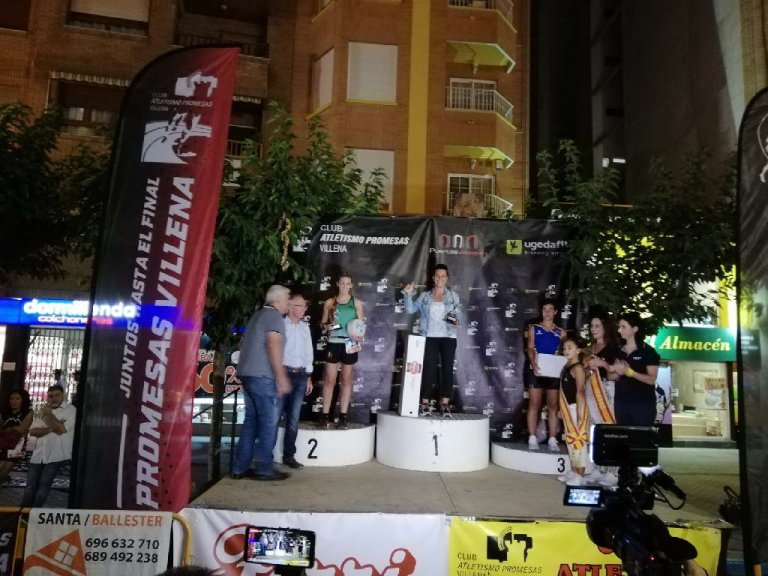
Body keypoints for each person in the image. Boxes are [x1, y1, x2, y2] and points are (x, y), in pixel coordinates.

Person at [231, 284, 292, 482]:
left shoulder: (256, 315)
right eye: (287, 299)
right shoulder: (274, 316)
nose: (289, 303)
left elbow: (243, 343)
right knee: (269, 422)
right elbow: (273, 344)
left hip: (247, 373)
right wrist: (281, 376)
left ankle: (240, 467)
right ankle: (264, 468)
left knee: (251, 421)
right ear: (278, 300)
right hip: (263, 375)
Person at [402, 264, 461, 417]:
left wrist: (456, 322)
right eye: (437, 276)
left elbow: (458, 316)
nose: (440, 278)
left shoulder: (453, 296)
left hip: (448, 337)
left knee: (447, 370)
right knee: (429, 370)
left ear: (447, 278)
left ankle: (445, 404)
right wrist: (407, 295)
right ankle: (425, 404)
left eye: (443, 276)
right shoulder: (425, 296)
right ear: (433, 278)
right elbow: (410, 309)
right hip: (429, 337)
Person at [319, 273, 365, 429]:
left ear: (351, 285)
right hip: (333, 342)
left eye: (348, 283)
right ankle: (325, 416)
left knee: (346, 380)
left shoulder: (356, 303)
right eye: (342, 283)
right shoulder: (329, 302)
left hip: (349, 343)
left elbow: (360, 325)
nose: (345, 286)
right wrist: (326, 326)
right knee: (330, 380)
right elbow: (323, 323)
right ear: (337, 284)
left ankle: (343, 416)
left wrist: (359, 335)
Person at [20, 385, 76, 507]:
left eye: (57, 395)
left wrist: (49, 415)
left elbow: (62, 429)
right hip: (39, 454)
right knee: (30, 486)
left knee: (44, 485)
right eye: (51, 396)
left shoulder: (70, 410)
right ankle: (22, 513)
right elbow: (33, 431)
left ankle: (35, 513)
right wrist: (52, 428)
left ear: (63, 395)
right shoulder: (42, 411)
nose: (53, 398)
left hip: (57, 455)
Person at [583, 308, 621, 486]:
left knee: (608, 430)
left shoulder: (614, 348)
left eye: (597, 326)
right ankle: (598, 467)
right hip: (590, 391)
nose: (594, 329)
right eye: (592, 326)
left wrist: (603, 364)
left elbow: (616, 374)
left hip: (606, 393)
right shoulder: (589, 348)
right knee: (594, 431)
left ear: (605, 327)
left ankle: (613, 471)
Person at [279, 293, 314, 469]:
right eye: (301, 306)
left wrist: (308, 376)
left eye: (305, 306)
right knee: (274, 416)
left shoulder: (305, 327)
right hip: (283, 373)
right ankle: (265, 456)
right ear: (290, 307)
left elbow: (309, 352)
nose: (304, 309)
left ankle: (289, 456)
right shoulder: (281, 325)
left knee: (293, 419)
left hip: (301, 376)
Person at [526, 298, 565, 450]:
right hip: (536, 369)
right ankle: (532, 437)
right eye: (544, 309)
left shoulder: (561, 332)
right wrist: (533, 362)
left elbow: (564, 352)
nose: (547, 312)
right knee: (534, 403)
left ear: (555, 312)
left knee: (553, 406)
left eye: (550, 309)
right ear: (541, 311)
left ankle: (552, 439)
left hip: (553, 372)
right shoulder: (534, 328)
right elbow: (530, 347)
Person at [611, 311, 660, 426]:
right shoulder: (618, 351)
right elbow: (609, 375)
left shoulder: (648, 351)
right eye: (619, 327)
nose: (619, 330)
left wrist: (630, 372)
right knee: (623, 435)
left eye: (623, 327)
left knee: (640, 436)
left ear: (635, 329)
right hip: (621, 404)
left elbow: (651, 379)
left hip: (643, 405)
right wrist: (618, 371)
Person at [557, 336, 588, 486]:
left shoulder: (578, 368)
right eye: (564, 348)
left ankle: (580, 475)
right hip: (567, 408)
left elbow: (580, 391)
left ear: (578, 350)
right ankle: (574, 471)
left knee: (578, 441)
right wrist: (561, 410)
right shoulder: (567, 366)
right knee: (570, 441)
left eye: (570, 348)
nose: (566, 350)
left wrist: (580, 413)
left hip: (576, 408)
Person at [0, 388, 33, 485]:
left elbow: (22, 429)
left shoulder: (28, 412)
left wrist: (10, 428)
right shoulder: (4, 413)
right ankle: (5, 479)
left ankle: (5, 478)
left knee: (4, 470)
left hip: (18, 446)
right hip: (3, 445)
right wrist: (12, 428)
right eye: (12, 398)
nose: (14, 401)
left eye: (17, 398)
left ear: (23, 400)